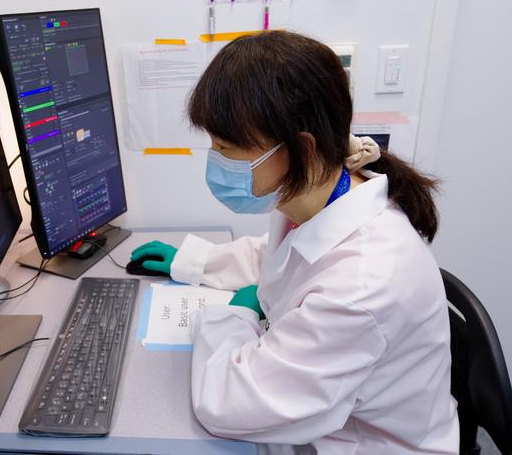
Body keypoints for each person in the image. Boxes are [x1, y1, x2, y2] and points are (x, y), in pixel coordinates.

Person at [130, 31, 459, 454]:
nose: (216, 161)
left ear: (301, 148)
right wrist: (194, 261)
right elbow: (283, 258)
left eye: (227, 148)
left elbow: (229, 406)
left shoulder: (364, 285)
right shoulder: (325, 194)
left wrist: (232, 318)